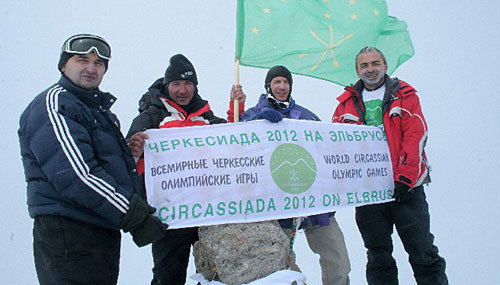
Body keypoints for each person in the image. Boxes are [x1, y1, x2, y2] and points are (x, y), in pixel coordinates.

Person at [18, 34, 167, 285]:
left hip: (99, 232)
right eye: (82, 60)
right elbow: (77, 175)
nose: (91, 68)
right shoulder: (56, 103)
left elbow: (94, 162)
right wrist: (134, 215)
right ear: (64, 65)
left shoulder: (94, 109)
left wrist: (128, 156)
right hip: (69, 233)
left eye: (99, 64)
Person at [332, 46, 448, 284]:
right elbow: (334, 145)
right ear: (357, 70)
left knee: (423, 253)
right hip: (370, 193)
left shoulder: (405, 95)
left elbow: (415, 135)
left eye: (375, 63)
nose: (370, 69)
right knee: (378, 257)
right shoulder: (345, 105)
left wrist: (405, 178)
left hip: (406, 189)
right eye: (364, 65)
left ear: (385, 66)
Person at [228, 65, 351, 285]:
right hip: (276, 207)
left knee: (339, 262)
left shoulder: (305, 117)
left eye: (286, 82)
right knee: (279, 269)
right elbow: (235, 144)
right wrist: (254, 118)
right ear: (269, 86)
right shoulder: (254, 116)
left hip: (314, 206)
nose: (282, 86)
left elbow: (327, 149)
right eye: (277, 82)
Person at [126, 54, 226, 285]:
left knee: (217, 275)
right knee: (168, 278)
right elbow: (125, 156)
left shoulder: (207, 119)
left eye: (188, 83)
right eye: (176, 84)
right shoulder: (151, 116)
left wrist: (238, 108)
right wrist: (134, 149)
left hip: (208, 213)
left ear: (195, 86)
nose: (183, 90)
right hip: (170, 216)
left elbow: (239, 141)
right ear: (167, 85)